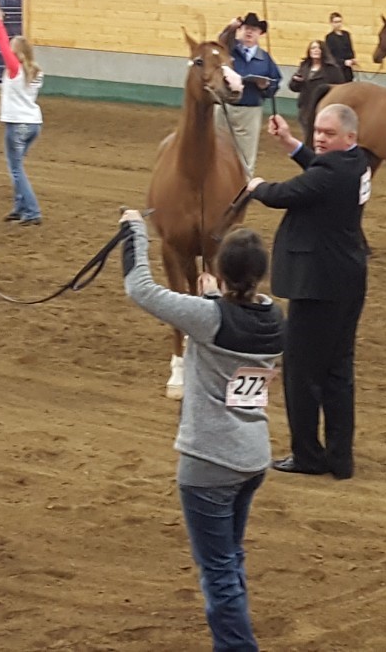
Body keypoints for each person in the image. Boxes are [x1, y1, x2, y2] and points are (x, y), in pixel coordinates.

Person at [119, 209, 283, 652]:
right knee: (230, 560)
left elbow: (140, 288)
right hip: (252, 458)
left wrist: (133, 227)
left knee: (217, 571)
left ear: (217, 272)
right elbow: (234, 319)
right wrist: (215, 299)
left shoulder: (207, 319)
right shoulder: (274, 319)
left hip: (209, 463)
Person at [246, 105, 371, 480]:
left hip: (317, 284)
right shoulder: (356, 162)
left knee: (300, 372)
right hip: (347, 278)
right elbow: (318, 170)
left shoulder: (330, 173)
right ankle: (339, 457)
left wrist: (256, 187)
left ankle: (307, 455)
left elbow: (285, 193)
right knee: (338, 370)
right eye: (317, 130)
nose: (319, 138)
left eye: (327, 133)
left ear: (348, 137)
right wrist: (290, 143)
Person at [0, 0, 45, 226]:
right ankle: (19, 207)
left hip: (18, 124)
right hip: (33, 123)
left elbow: (2, 44)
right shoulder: (34, 71)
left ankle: (32, 211)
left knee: (16, 170)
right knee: (18, 167)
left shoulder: (15, 69)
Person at [215, 12, 281, 178]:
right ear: (240, 30)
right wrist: (231, 27)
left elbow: (275, 82)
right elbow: (219, 42)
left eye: (254, 29)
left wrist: (265, 86)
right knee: (217, 148)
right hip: (224, 107)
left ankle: (243, 189)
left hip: (250, 111)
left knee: (246, 156)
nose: (249, 32)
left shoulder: (265, 59)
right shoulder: (229, 49)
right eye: (246, 28)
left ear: (260, 33)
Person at [287, 40, 348, 139]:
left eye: (318, 48)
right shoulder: (304, 66)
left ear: (323, 51)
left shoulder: (332, 69)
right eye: (313, 48)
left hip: (324, 109)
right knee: (307, 137)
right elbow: (293, 87)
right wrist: (296, 81)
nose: (316, 50)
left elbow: (340, 88)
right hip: (305, 110)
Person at [322, 12, 357, 82]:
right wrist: (343, 62)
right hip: (337, 69)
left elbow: (350, 49)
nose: (338, 24)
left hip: (348, 69)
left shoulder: (346, 34)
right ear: (331, 23)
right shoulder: (329, 37)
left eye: (340, 21)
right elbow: (330, 56)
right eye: (336, 22)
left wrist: (353, 59)